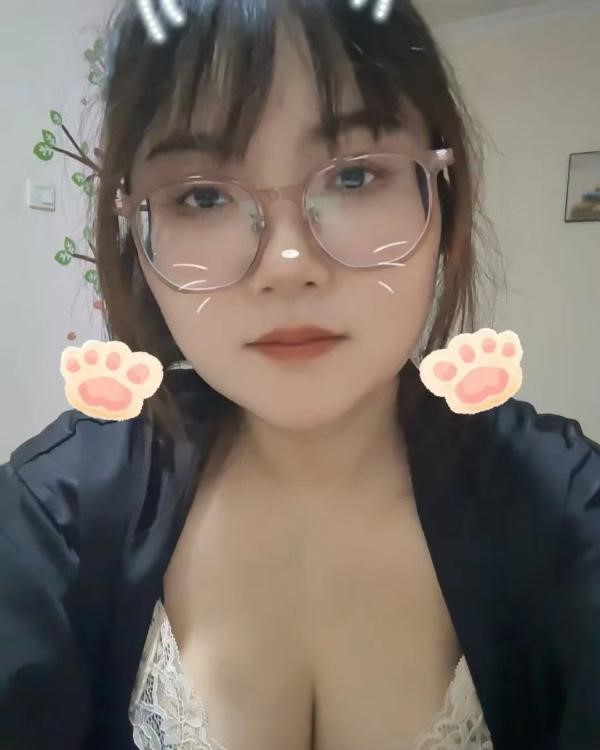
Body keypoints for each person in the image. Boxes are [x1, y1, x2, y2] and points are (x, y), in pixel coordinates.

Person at [1, 0, 599, 748]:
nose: (288, 266)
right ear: (134, 224)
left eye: (354, 177)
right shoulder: (52, 515)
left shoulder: (564, 506)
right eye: (203, 196)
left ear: (442, 194)